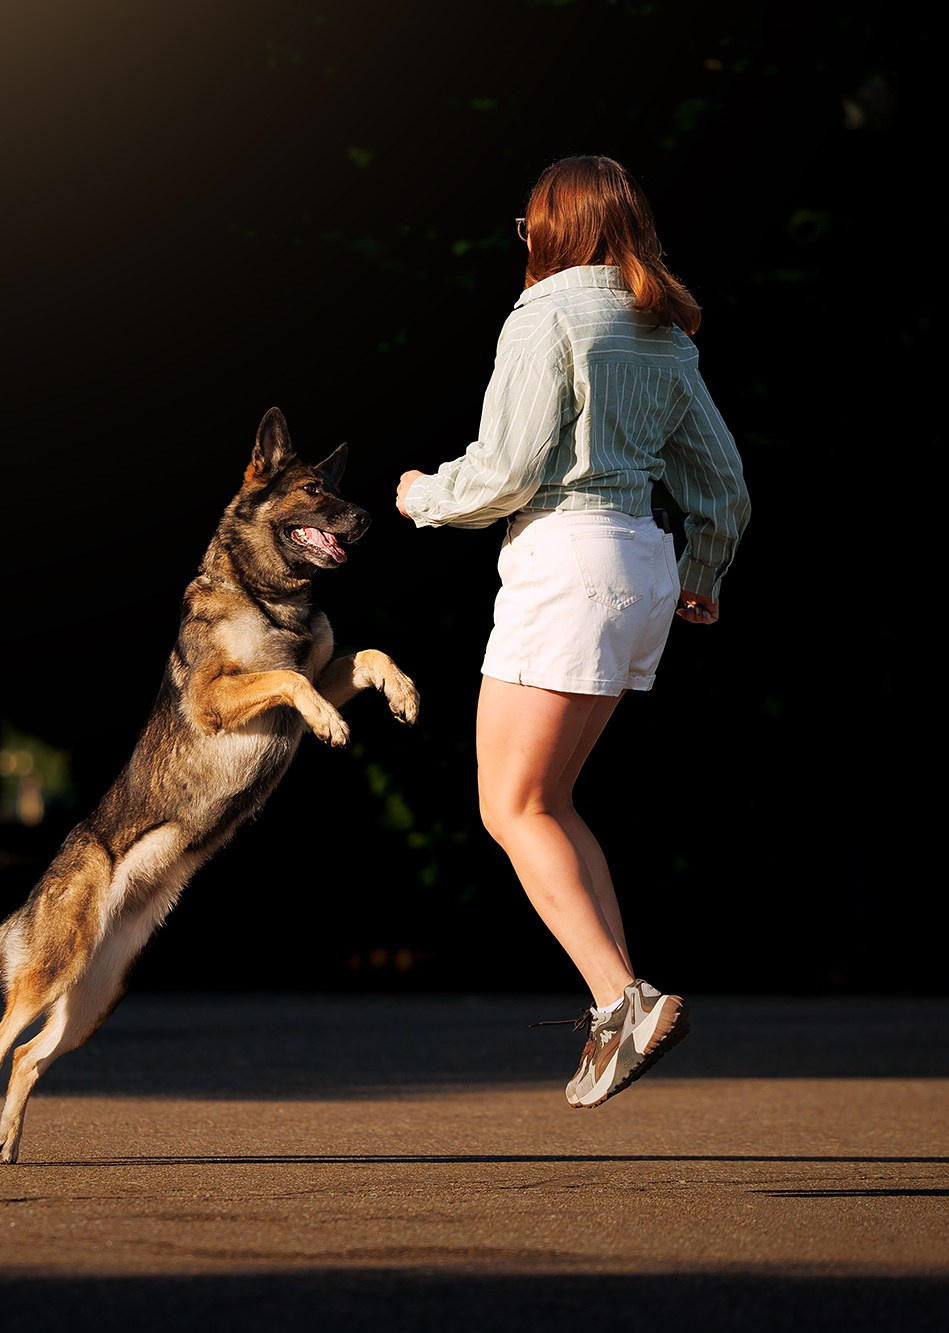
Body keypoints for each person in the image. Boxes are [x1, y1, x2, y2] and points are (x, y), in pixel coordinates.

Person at [394, 154, 750, 1110]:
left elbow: (508, 469)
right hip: (645, 563)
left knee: (508, 807)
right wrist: (704, 574)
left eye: (526, 225)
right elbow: (724, 487)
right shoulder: (664, 329)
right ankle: (616, 1007)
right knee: (550, 800)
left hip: (568, 561)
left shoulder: (545, 314)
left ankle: (622, 995)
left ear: (554, 229)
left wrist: (426, 496)